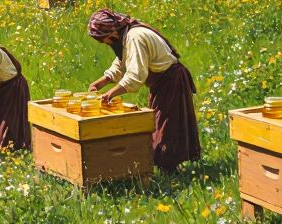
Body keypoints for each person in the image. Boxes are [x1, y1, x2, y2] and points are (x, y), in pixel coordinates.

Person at [85, 9, 201, 173]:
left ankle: (169, 169)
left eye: (102, 39)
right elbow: (123, 62)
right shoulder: (126, 35)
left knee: (167, 125)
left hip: (171, 81)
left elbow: (135, 75)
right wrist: (101, 82)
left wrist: (111, 93)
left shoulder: (135, 37)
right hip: (162, 82)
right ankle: (166, 165)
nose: (104, 43)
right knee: (162, 122)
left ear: (111, 33)